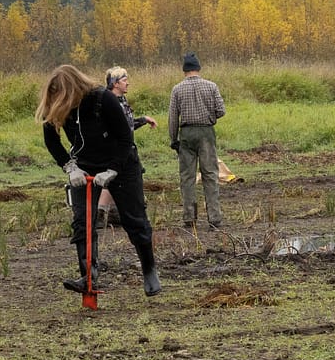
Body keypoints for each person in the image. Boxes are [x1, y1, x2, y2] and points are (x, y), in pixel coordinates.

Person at [37, 65, 161, 297]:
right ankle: (88, 275)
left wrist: (113, 169)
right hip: (84, 166)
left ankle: (149, 270)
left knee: (134, 219)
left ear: (74, 89)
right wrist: (69, 166)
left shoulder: (103, 99)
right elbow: (52, 141)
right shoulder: (55, 104)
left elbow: (126, 137)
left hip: (121, 162)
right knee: (82, 222)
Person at [169, 53, 226, 230]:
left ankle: (189, 218)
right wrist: (210, 116)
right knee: (210, 175)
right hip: (206, 133)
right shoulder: (211, 86)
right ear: (198, 68)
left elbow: (173, 118)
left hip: (186, 133)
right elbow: (221, 110)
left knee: (187, 177)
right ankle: (214, 218)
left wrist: (174, 139)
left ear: (184, 69)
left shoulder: (177, 89)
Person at [95, 66, 158, 228]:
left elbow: (127, 126)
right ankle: (100, 215)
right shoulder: (109, 103)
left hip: (127, 148)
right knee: (117, 180)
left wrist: (143, 120)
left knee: (123, 180)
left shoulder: (122, 101)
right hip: (117, 150)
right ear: (115, 84)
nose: (127, 83)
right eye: (124, 80)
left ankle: (114, 214)